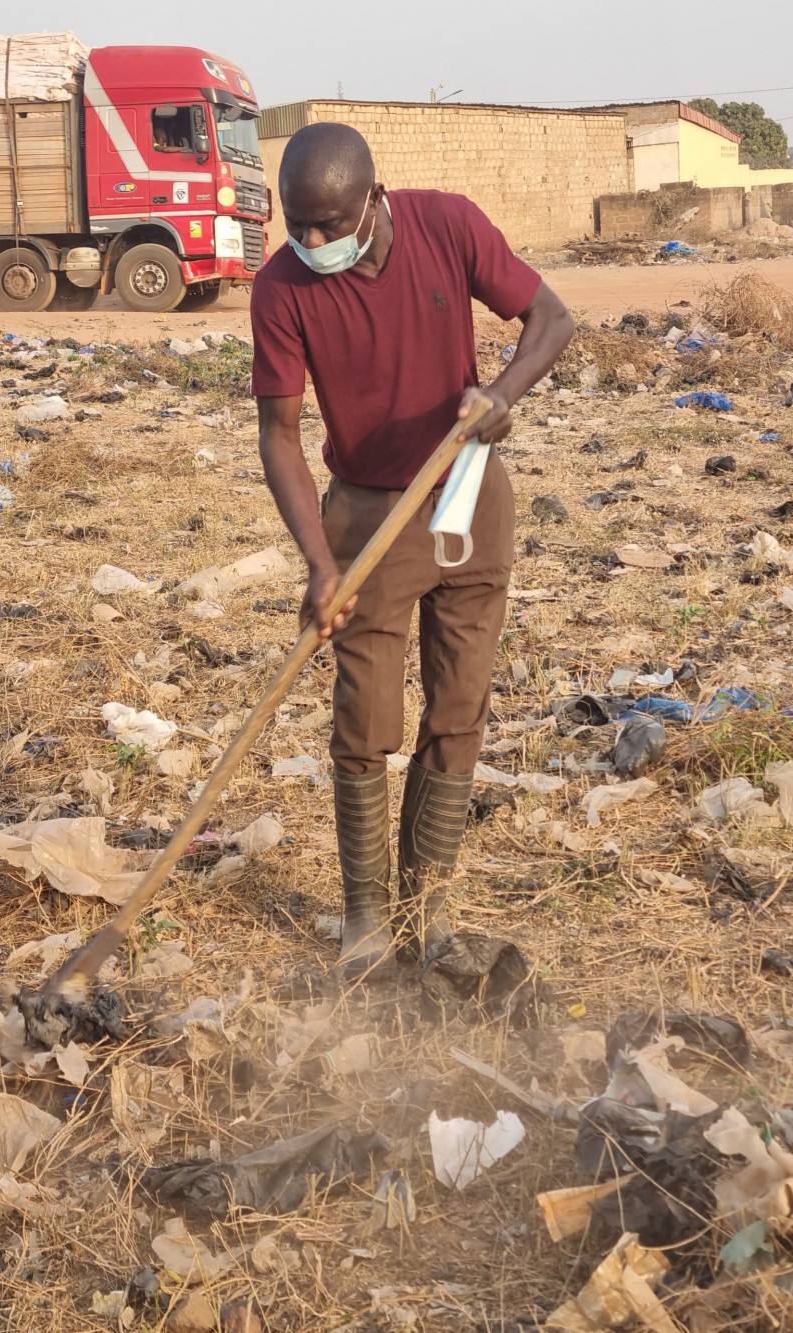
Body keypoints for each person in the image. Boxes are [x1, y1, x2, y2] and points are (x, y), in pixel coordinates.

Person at [250, 123, 573, 981]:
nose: (309, 240)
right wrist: (320, 562)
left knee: (459, 706)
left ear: (373, 199)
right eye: (296, 222)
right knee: (365, 719)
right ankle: (366, 918)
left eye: (327, 223)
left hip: (466, 495)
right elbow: (279, 435)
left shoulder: (447, 225)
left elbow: (552, 316)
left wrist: (502, 394)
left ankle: (428, 914)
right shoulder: (281, 287)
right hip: (365, 515)